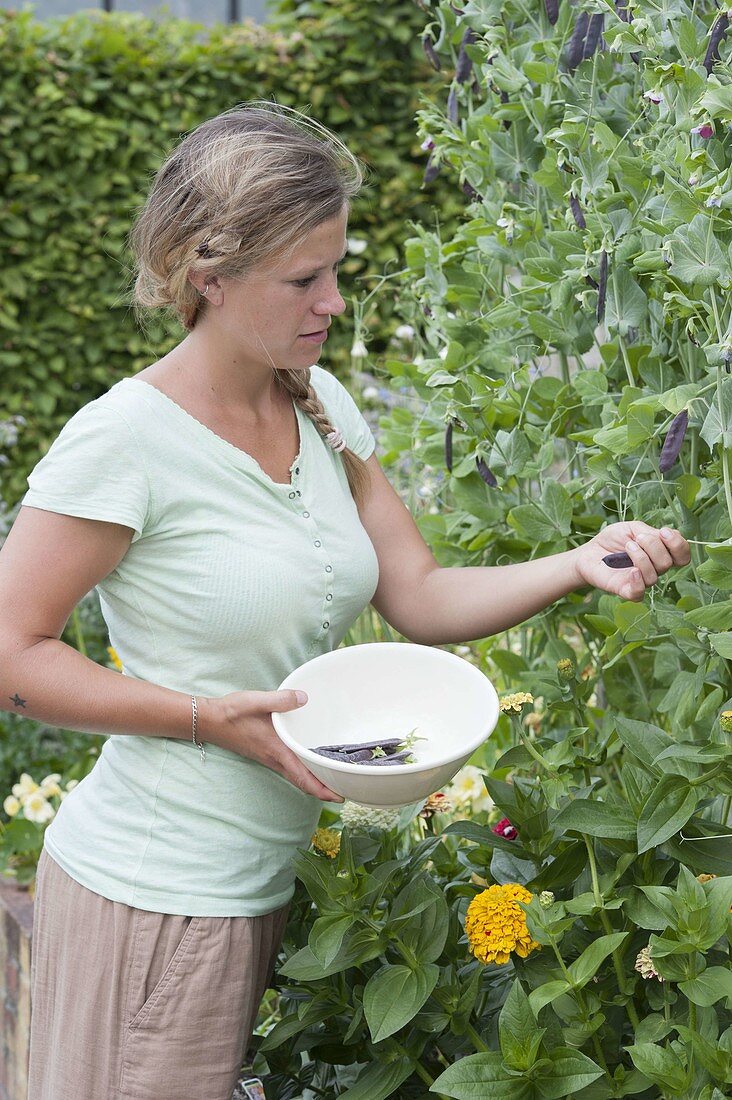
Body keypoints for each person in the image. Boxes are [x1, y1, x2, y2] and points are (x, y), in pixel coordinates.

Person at [0, 102, 690, 1100]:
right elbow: (13, 655)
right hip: (153, 897)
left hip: (268, 888)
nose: (332, 302)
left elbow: (418, 591)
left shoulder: (318, 402)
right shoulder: (125, 440)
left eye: (337, 270)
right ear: (211, 276)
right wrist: (205, 718)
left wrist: (576, 562)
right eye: (304, 279)